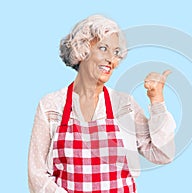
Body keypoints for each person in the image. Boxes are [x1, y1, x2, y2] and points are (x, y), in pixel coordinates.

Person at [28, 14, 176, 193]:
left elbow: (162, 154)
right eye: (103, 48)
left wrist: (157, 100)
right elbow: (36, 174)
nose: (111, 59)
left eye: (115, 52)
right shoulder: (51, 105)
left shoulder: (124, 105)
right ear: (81, 50)